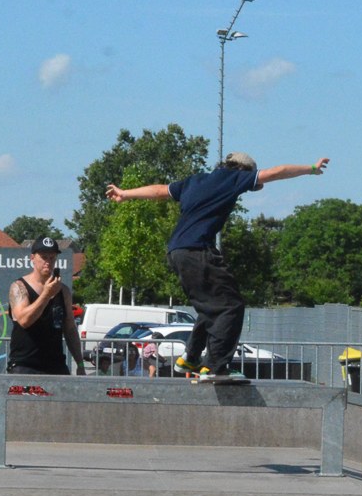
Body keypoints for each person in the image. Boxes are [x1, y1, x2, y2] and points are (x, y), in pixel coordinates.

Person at [105, 152, 328, 378]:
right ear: (243, 169)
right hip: (198, 251)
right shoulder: (234, 178)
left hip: (177, 251)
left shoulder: (195, 181)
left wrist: (125, 193)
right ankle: (216, 367)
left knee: (211, 306)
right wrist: (311, 168)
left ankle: (190, 358)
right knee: (231, 306)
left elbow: (159, 190)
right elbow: (276, 172)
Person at [5, 237, 84, 376]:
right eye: (43, 257)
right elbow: (24, 320)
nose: (48, 262)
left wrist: (80, 363)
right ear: (32, 258)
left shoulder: (63, 291)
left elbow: (70, 328)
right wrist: (46, 294)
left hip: (56, 365)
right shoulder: (19, 287)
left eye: (52, 258)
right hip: (25, 366)